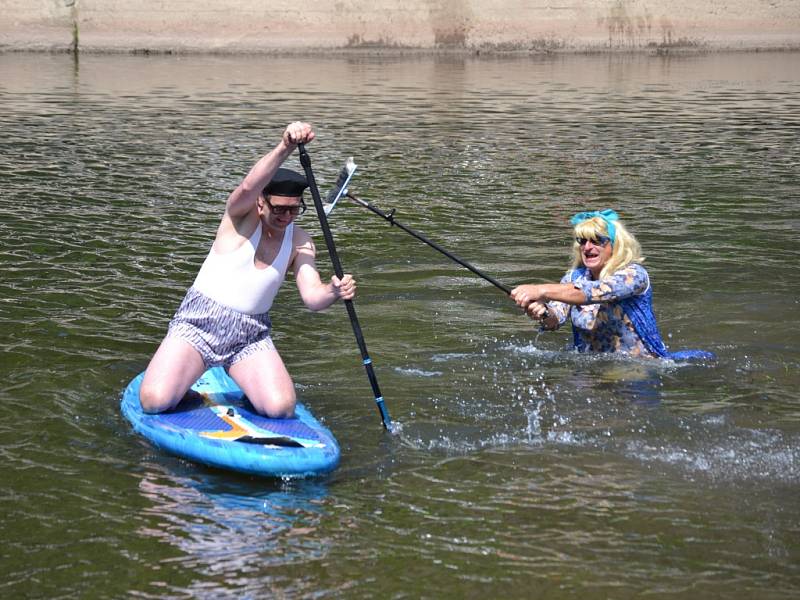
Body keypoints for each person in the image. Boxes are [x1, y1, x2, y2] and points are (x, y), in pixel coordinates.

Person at [139, 121, 356, 418]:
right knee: (154, 401)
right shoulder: (239, 217)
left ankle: (238, 380)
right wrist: (285, 147)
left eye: (294, 209)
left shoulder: (300, 240)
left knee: (281, 408)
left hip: (250, 335)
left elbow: (312, 297)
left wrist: (333, 291)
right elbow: (247, 185)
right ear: (260, 202)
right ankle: (183, 385)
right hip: (197, 324)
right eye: (279, 208)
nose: (286, 217)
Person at [510, 209, 715, 361]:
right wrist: (543, 313)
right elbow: (556, 319)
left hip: (642, 367)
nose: (588, 247)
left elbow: (591, 293)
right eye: (582, 241)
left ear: (615, 246)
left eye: (597, 241)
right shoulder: (574, 278)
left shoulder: (633, 275)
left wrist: (540, 290)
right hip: (591, 367)